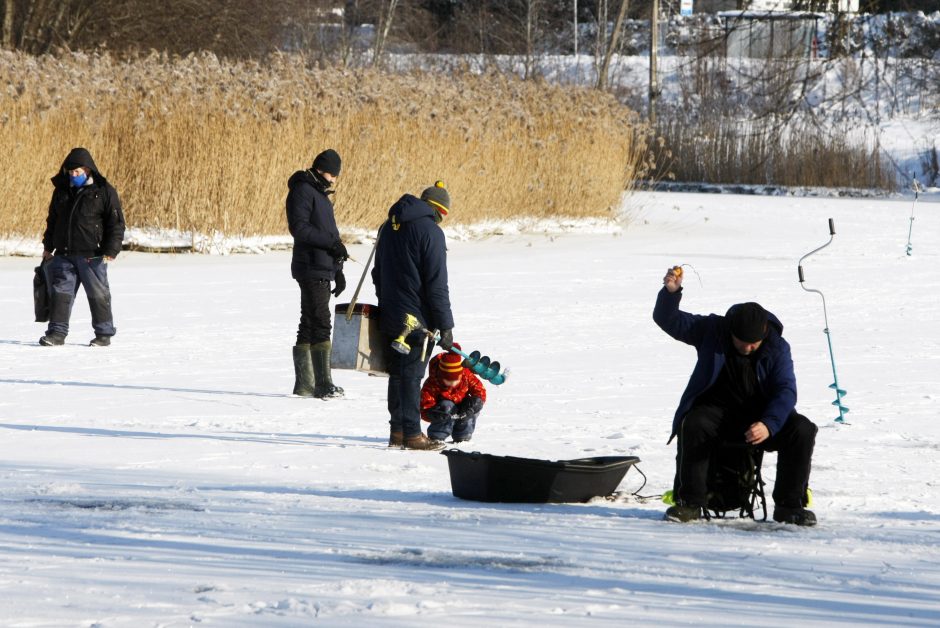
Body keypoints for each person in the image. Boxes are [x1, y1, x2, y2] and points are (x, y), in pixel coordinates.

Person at [653, 266, 818, 526]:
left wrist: (769, 424)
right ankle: (689, 503)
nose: (748, 347)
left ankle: (789, 505)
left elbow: (786, 390)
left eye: (754, 343)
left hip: (760, 419)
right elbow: (669, 320)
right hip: (716, 414)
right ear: (731, 332)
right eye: (742, 342)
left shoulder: (777, 347)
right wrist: (670, 294)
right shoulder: (712, 329)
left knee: (802, 429)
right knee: (693, 423)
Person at [372, 181, 455, 451]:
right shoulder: (430, 232)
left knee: (397, 373)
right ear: (439, 211)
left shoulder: (388, 227)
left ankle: (397, 431)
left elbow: (377, 272)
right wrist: (446, 324)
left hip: (391, 311)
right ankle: (412, 435)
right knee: (410, 375)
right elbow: (436, 284)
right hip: (417, 318)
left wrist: (387, 302)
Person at [40, 147, 126, 347]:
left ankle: (104, 334)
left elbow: (116, 223)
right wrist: (48, 246)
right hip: (64, 254)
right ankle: (56, 334)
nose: (73, 175)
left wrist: (112, 250)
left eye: (77, 172)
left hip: (93, 255)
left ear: (88, 170)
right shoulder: (61, 191)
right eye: (70, 172)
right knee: (61, 294)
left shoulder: (104, 190)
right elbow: (52, 220)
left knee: (98, 295)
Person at [286, 148, 347, 399]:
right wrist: (331, 245)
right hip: (310, 266)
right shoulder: (302, 190)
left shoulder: (320, 195)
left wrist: (338, 268)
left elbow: (329, 236)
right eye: (332, 174)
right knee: (321, 320)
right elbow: (299, 228)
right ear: (322, 170)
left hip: (321, 267)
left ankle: (305, 385)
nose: (334, 179)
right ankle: (323, 383)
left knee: (310, 321)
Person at [420, 345, 487, 443]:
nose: (453, 384)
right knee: (447, 406)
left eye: (456, 380)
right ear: (441, 376)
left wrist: (476, 402)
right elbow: (424, 406)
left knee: (470, 408)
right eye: (448, 380)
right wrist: (433, 414)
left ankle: (463, 436)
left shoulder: (466, 375)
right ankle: (437, 436)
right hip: (445, 410)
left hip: (463, 408)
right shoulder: (432, 383)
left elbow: (479, 390)